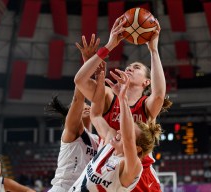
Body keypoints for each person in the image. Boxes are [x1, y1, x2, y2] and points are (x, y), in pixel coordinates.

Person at [74, 15, 172, 191]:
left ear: (146, 82)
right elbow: (80, 81)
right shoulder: (109, 96)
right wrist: (109, 46)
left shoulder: (146, 105)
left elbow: (159, 95)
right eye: (129, 66)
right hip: (109, 167)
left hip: (139, 172)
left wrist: (153, 50)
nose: (130, 68)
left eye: (136, 67)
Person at [69, 66, 162, 192]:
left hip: (142, 179)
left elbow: (128, 138)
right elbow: (95, 114)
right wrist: (99, 77)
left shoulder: (132, 166)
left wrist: (122, 98)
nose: (119, 131)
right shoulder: (109, 142)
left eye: (136, 67)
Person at [45, 37, 101, 192]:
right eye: (82, 106)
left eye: (87, 103)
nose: (86, 105)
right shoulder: (71, 131)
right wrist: (87, 63)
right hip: (63, 188)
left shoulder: (95, 138)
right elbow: (78, 97)